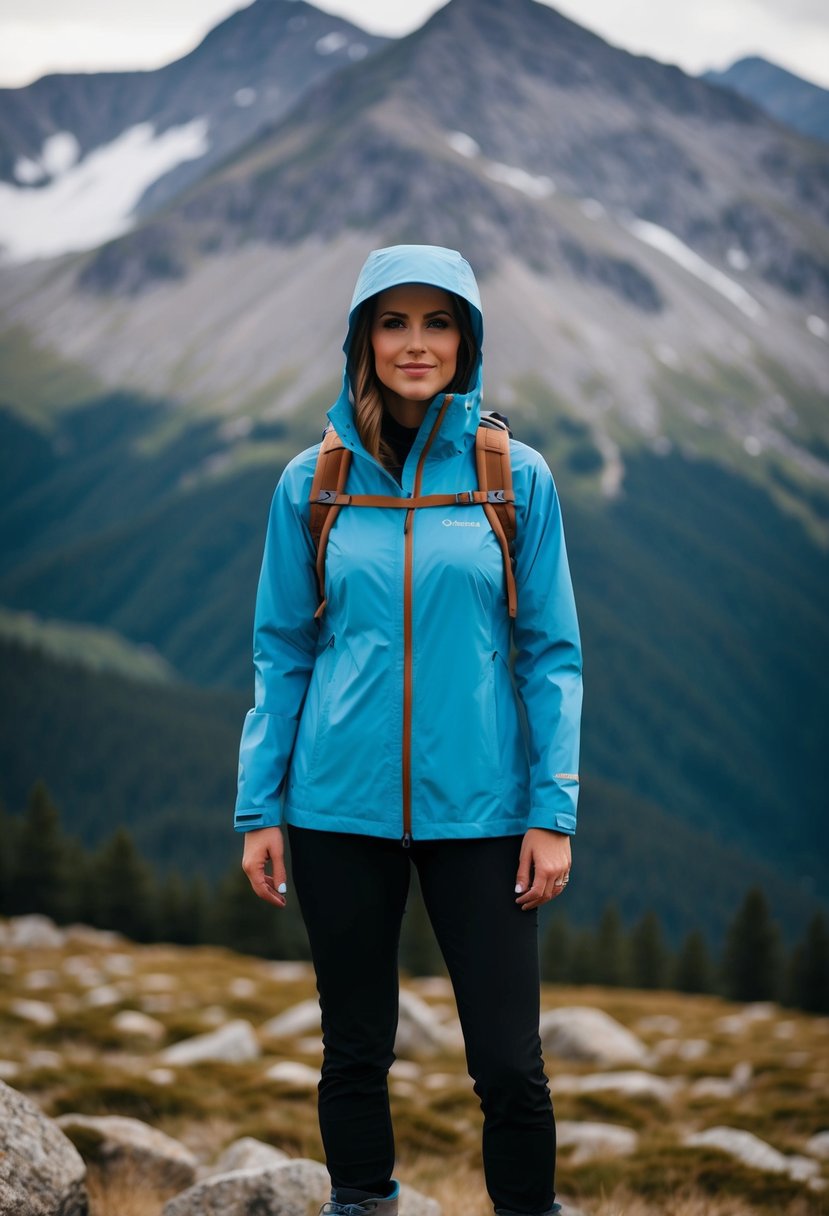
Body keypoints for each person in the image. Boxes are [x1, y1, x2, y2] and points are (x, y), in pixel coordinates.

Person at [235, 244, 582, 1216]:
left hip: (484, 814)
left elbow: (550, 657)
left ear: (466, 340)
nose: (415, 343)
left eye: (437, 322)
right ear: (362, 339)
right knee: (353, 1051)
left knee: (509, 1064)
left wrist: (551, 811)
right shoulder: (312, 485)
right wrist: (260, 804)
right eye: (394, 322)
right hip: (332, 808)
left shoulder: (517, 480)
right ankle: (361, 1204)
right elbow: (280, 652)